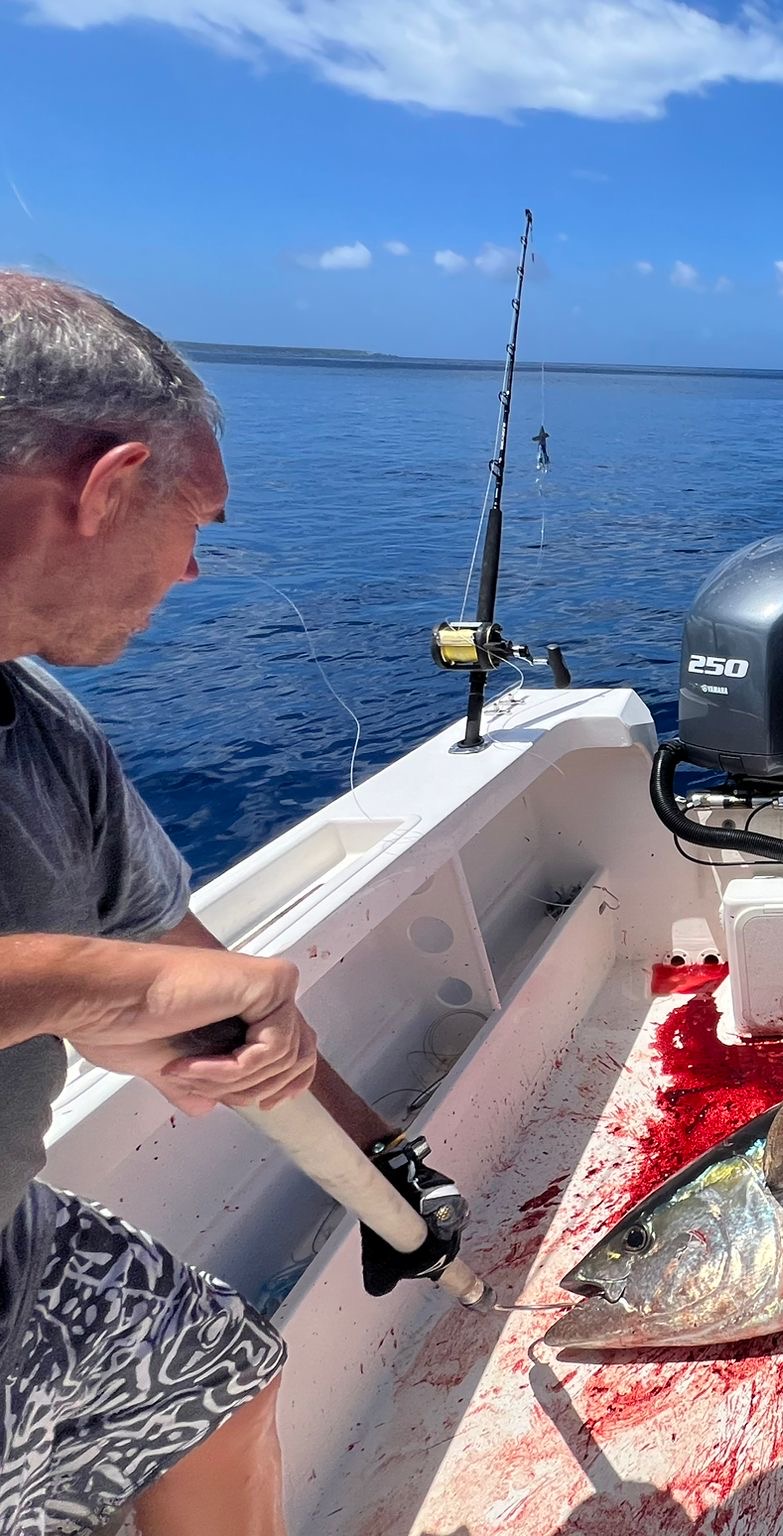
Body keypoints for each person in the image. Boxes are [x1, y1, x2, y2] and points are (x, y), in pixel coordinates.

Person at [0, 271, 461, 1535]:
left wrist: (385, 1162)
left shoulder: (48, 741)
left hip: (12, 1242)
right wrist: (118, 994)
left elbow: (193, 977)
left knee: (217, 1374)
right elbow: (140, 982)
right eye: (196, 518)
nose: (200, 567)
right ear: (104, 490)